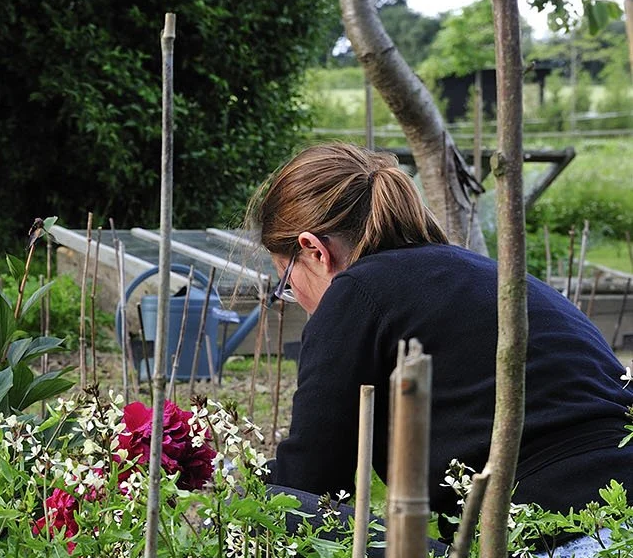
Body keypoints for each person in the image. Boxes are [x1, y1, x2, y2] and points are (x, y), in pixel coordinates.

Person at [249, 141, 633, 529]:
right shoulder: (488, 275)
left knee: (268, 513)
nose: (296, 299)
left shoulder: (355, 293)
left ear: (314, 251)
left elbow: (309, 486)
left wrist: (243, 496)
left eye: (287, 282)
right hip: (617, 514)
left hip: (555, 538)